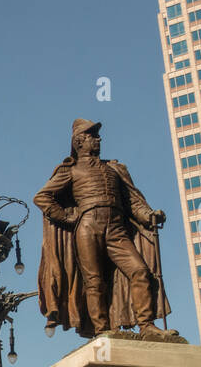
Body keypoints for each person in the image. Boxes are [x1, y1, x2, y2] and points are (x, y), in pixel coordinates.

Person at [34, 119, 175, 339]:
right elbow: (42, 197)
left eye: (97, 136)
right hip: (88, 226)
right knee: (94, 281)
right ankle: (102, 331)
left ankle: (146, 325)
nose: (98, 139)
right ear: (79, 142)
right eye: (93, 136)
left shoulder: (115, 169)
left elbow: (132, 202)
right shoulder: (70, 170)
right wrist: (67, 216)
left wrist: (149, 215)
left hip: (117, 228)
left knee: (139, 271)